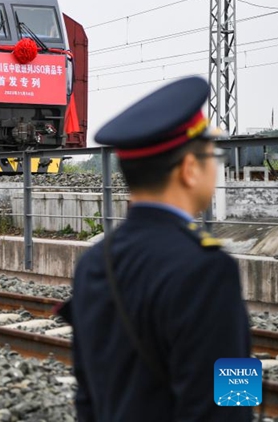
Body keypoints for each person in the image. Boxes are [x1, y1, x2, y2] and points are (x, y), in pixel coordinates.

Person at [58, 76, 252, 421]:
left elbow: (86, 396)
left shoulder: (93, 261)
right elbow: (230, 402)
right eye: (212, 154)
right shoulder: (208, 268)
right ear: (190, 169)